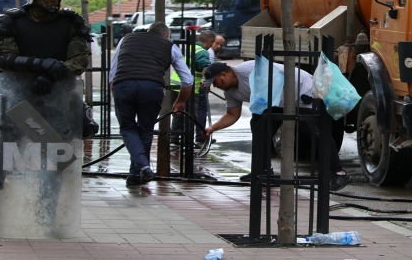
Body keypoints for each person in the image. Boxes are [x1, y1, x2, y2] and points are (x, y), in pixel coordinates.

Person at [0, 0, 93, 236]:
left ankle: (47, 218)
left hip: (57, 98)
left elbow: (79, 61)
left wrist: (51, 74)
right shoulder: (11, 21)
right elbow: (4, 59)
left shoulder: (71, 22)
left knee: (54, 159)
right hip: (18, 98)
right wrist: (41, 65)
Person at [201, 61, 350, 191]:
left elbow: (283, 72)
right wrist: (212, 128)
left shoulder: (248, 69)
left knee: (316, 133)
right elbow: (232, 115)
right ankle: (263, 170)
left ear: (223, 75)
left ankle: (339, 173)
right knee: (259, 127)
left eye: (215, 82)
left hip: (300, 93)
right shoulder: (231, 92)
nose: (215, 86)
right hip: (275, 102)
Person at [111, 22, 193, 186]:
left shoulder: (126, 39)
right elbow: (187, 79)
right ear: (165, 35)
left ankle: (140, 169)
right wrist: (180, 101)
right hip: (151, 87)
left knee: (127, 128)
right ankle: (140, 170)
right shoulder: (170, 45)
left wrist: (116, 91)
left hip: (124, 84)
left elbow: (113, 71)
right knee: (145, 129)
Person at [170, 30, 215, 146]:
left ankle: (174, 138)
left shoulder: (189, 47)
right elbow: (206, 68)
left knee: (178, 112)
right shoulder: (202, 52)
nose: (211, 46)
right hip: (189, 87)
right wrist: (208, 82)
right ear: (210, 41)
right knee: (190, 115)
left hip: (175, 85)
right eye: (212, 43)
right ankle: (187, 141)